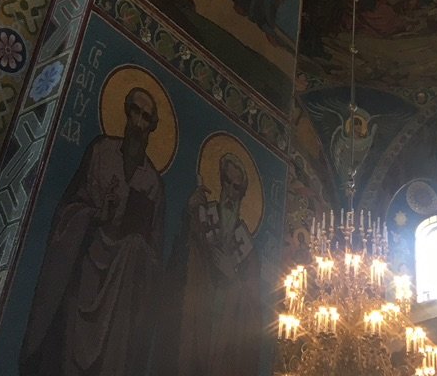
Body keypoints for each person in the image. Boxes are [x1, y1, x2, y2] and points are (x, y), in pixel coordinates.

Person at [20, 86, 166, 376]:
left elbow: (154, 256)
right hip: (85, 269)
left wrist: (135, 246)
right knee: (67, 349)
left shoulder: (153, 184)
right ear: (126, 111)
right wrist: (94, 215)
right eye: (134, 111)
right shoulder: (101, 151)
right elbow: (68, 208)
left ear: (152, 126)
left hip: (120, 291)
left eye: (146, 117)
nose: (138, 122)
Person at [165, 152, 261, 376]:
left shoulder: (248, 248)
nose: (230, 191)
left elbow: (254, 308)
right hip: (197, 319)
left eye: (236, 187)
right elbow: (178, 261)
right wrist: (190, 213)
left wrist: (234, 278)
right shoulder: (202, 215)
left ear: (243, 193)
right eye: (226, 182)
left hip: (224, 330)